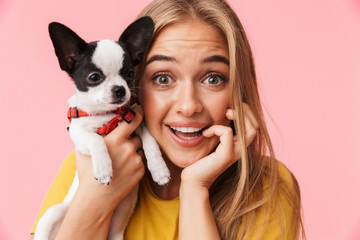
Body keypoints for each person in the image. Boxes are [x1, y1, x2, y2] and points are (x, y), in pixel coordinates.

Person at [31, 0, 305, 239]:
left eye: (213, 78)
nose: (188, 106)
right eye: (163, 78)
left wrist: (195, 188)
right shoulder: (84, 166)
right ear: (137, 84)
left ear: (238, 90)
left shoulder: (265, 188)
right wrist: (95, 198)